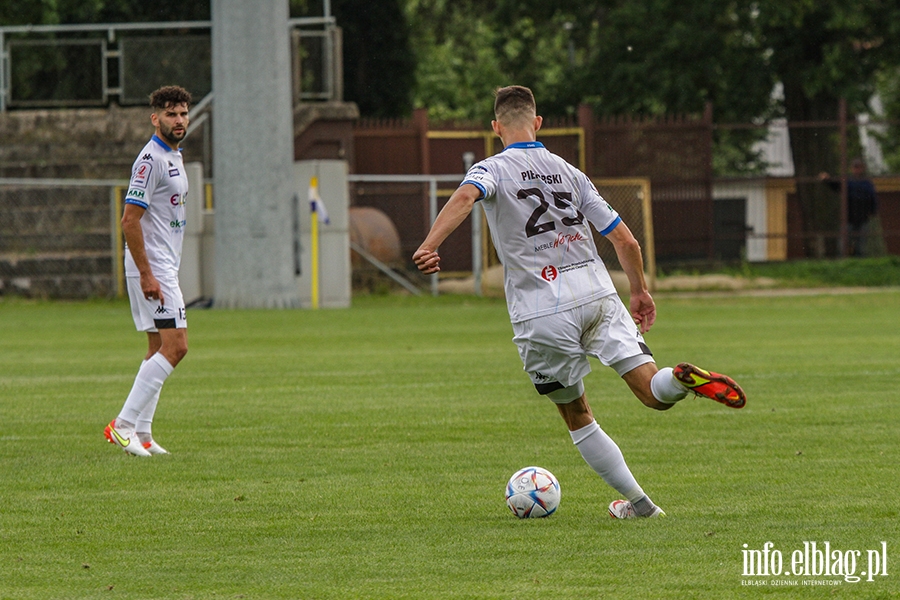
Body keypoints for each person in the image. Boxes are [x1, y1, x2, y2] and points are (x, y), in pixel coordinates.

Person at [413, 85, 746, 519]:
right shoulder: (571, 172)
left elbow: (463, 197)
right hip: (597, 294)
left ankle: (643, 506)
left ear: (496, 128)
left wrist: (430, 244)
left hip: (541, 311)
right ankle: (680, 380)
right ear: (538, 123)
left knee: (577, 412)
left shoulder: (490, 169)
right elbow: (625, 240)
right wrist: (640, 291)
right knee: (652, 392)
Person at [104, 85, 192, 457]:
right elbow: (129, 220)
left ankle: (141, 433)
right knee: (177, 346)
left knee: (157, 345)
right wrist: (147, 273)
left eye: (184, 113)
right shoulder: (151, 159)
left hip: (162, 263)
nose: (179, 120)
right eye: (171, 114)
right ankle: (121, 424)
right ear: (155, 118)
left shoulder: (174, 155)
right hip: (153, 266)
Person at [819, 159, 881, 256]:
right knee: (843, 244)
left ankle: (859, 265)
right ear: (852, 169)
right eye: (855, 167)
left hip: (863, 218)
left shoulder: (867, 184)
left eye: (859, 167)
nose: (857, 170)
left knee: (860, 246)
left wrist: (873, 211)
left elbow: (873, 198)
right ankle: (843, 263)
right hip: (848, 218)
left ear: (862, 169)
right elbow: (836, 185)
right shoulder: (848, 182)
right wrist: (827, 180)